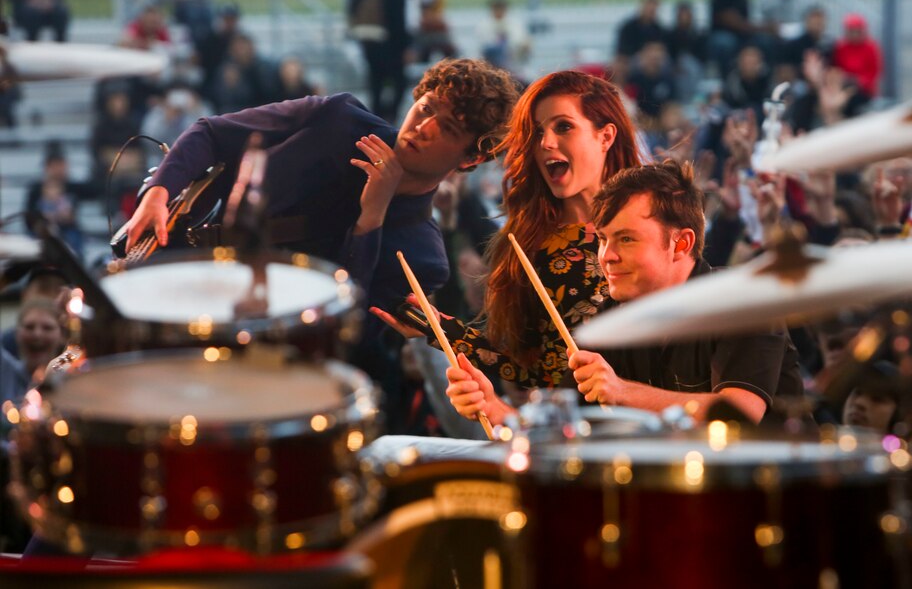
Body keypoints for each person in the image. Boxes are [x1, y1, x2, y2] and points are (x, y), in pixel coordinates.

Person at [121, 58, 520, 339]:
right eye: (425, 107)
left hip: (248, 342)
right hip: (178, 268)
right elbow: (212, 133)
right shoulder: (338, 117)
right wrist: (159, 191)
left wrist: (371, 221)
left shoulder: (424, 258)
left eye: (447, 128)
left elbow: (349, 334)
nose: (423, 127)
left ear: (472, 159)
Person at [444, 160, 802, 425]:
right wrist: (494, 408)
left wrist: (622, 391)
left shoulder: (745, 301)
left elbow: (738, 413)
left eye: (626, 239)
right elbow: (561, 431)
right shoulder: (612, 315)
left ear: (681, 244)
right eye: (602, 239)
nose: (606, 256)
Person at [373, 70, 643, 391]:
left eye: (564, 127)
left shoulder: (653, 220)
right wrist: (440, 329)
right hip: (575, 428)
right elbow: (539, 370)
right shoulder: (532, 242)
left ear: (606, 136)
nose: (546, 143)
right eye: (537, 132)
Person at [348, 0, 410, 122]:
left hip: (371, 43)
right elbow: (399, 22)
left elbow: (352, 11)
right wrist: (405, 47)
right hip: (386, 46)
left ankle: (378, 119)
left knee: (377, 84)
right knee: (393, 82)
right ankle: (385, 117)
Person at [476, 0, 531, 75]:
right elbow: (485, 48)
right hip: (491, 67)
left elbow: (521, 43)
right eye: (496, 8)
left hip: (514, 65)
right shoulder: (484, 25)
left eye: (501, 8)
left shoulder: (514, 24)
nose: (499, 11)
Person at [832, 13, 882, 101]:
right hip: (844, 85)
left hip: (865, 89)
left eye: (857, 31)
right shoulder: (841, 46)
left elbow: (874, 71)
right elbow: (837, 68)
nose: (855, 34)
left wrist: (860, 81)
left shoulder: (870, 47)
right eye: (852, 31)